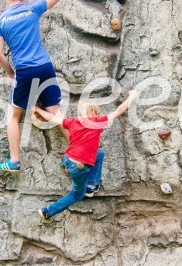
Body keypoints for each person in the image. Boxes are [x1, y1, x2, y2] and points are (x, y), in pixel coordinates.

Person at [0, 0, 88, 172]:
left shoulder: (0, 22)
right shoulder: (31, 9)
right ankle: (80, 154)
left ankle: (14, 161)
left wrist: (11, 73)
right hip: (45, 66)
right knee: (54, 112)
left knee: (13, 116)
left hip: (24, 71)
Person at [35, 91, 138, 221]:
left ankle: (91, 185)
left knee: (99, 153)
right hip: (78, 166)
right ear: (94, 113)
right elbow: (119, 110)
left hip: (68, 159)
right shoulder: (97, 122)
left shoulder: (72, 122)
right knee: (77, 195)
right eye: (98, 113)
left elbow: (52, 117)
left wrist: (36, 109)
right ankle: (47, 211)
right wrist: (132, 96)